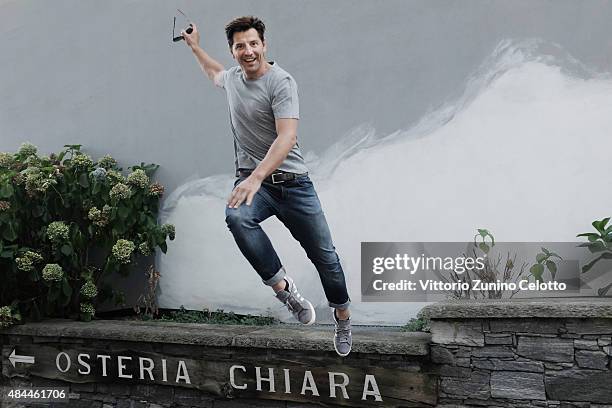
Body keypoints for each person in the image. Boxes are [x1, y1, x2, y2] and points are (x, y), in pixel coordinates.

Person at [181, 16, 352, 356]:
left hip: (293, 185)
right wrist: (195, 46)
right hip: (252, 182)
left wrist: (256, 178)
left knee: (325, 257)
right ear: (232, 51)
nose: (248, 51)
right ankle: (285, 290)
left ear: (264, 45)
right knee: (237, 218)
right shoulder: (232, 79)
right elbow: (213, 72)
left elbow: (287, 137)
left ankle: (343, 317)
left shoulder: (281, 82)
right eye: (240, 46)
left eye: (253, 44)